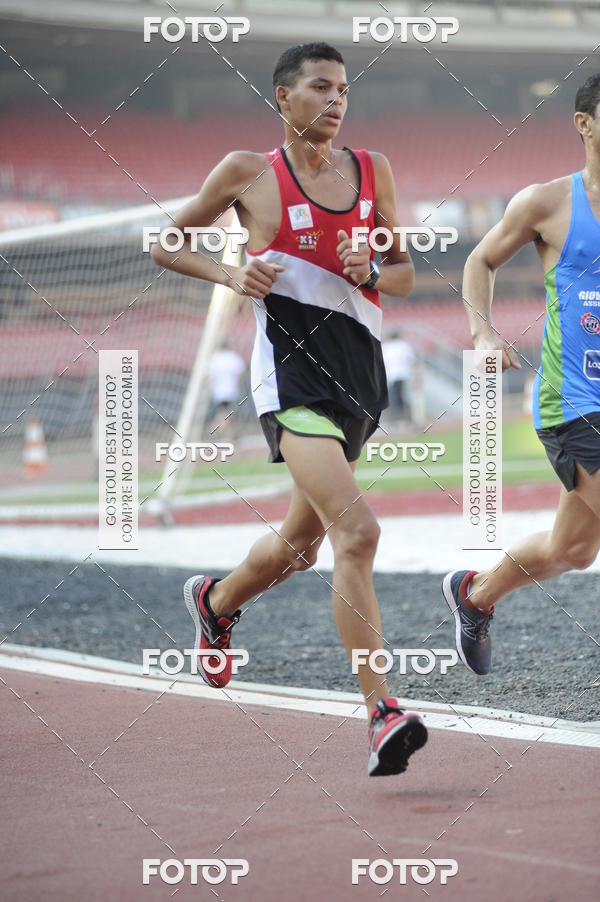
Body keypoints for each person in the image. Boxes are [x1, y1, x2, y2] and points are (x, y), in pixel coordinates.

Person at [152, 42, 428, 776]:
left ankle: (215, 603)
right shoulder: (248, 172)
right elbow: (166, 244)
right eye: (320, 87)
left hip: (359, 384)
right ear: (283, 96)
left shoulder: (372, 170)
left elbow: (404, 274)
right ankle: (381, 711)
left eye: (344, 90)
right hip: (291, 382)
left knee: (300, 550)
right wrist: (231, 272)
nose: (336, 101)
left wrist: (375, 269)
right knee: (357, 533)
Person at [443, 73, 600, 675]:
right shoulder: (548, 203)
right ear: (583, 123)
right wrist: (483, 332)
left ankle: (475, 594)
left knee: (573, 549)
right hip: (575, 400)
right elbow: (480, 259)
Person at [382, 329, 416, 420]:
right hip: (404, 374)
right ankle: (406, 416)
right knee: (404, 396)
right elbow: (411, 360)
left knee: (394, 397)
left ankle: (397, 417)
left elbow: (383, 362)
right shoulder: (404, 345)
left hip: (392, 375)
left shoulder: (386, 347)